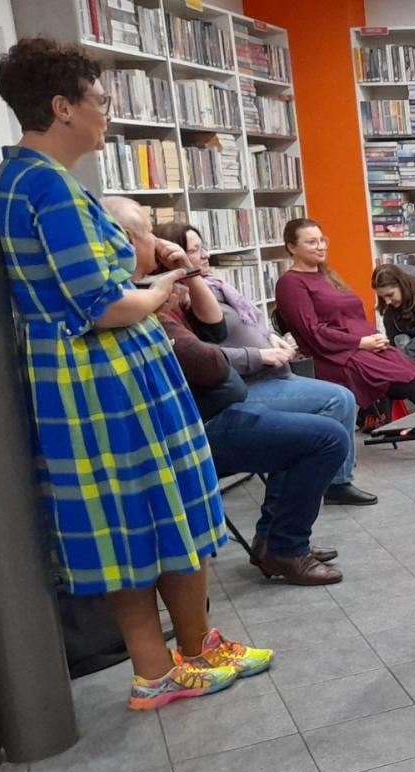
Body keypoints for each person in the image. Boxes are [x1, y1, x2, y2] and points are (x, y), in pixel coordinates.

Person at [0, 38, 269, 711]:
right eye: (99, 101)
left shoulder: (27, 181)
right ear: (62, 107)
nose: (106, 114)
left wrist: (147, 268)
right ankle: (165, 665)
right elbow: (104, 306)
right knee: (150, 511)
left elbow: (89, 284)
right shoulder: (48, 187)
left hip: (93, 374)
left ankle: (183, 656)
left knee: (138, 516)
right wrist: (165, 283)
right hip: (107, 376)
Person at [121, 206, 345, 586]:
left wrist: (185, 273)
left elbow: (216, 329)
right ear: (127, 242)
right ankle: (286, 549)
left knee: (311, 429)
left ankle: (274, 540)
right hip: (195, 427)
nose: (157, 243)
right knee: (326, 437)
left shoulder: (163, 292)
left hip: (216, 408)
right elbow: (207, 362)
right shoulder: (142, 302)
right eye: (148, 235)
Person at [152, 221, 376, 507]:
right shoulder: (183, 299)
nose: (205, 255)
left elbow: (250, 321)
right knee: (338, 399)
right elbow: (208, 351)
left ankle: (330, 480)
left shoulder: (217, 286)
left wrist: (273, 337)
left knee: (343, 395)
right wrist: (261, 355)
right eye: (194, 251)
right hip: (249, 385)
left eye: (202, 247)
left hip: (275, 374)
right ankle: (332, 483)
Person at [274, 219, 415, 420]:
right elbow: (312, 332)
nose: (321, 246)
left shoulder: (327, 275)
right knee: (408, 382)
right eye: (311, 242)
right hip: (333, 356)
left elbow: (353, 317)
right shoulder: (290, 283)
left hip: (363, 347)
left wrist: (375, 339)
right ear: (292, 247)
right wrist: (360, 343)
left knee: (412, 373)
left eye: (322, 240)